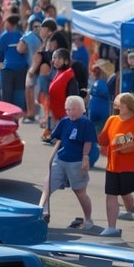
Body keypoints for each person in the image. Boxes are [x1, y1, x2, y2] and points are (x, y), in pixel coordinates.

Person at [40, 95, 96, 229]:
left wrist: (85, 157)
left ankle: (88, 219)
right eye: (67, 110)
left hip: (76, 162)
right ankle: (42, 211)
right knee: (47, 185)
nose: (68, 112)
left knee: (80, 191)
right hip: (60, 159)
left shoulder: (85, 123)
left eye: (70, 109)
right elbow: (56, 137)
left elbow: (88, 142)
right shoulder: (65, 121)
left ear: (79, 109)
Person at [98, 91, 134, 237]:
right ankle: (111, 227)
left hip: (130, 166)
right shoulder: (112, 120)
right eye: (119, 104)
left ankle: (129, 212)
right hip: (112, 165)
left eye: (123, 104)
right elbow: (103, 140)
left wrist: (123, 145)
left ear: (130, 106)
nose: (120, 107)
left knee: (125, 192)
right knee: (111, 194)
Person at [0, 14, 28, 110]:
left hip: (7, 68)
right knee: (19, 94)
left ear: (9, 23)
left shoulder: (4, 36)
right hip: (22, 67)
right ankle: (18, 115)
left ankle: (7, 115)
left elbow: (0, 54)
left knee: (7, 95)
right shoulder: (22, 35)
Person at [87, 59, 113, 136]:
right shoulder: (103, 84)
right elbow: (107, 95)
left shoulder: (94, 83)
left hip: (92, 111)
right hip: (102, 113)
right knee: (99, 133)